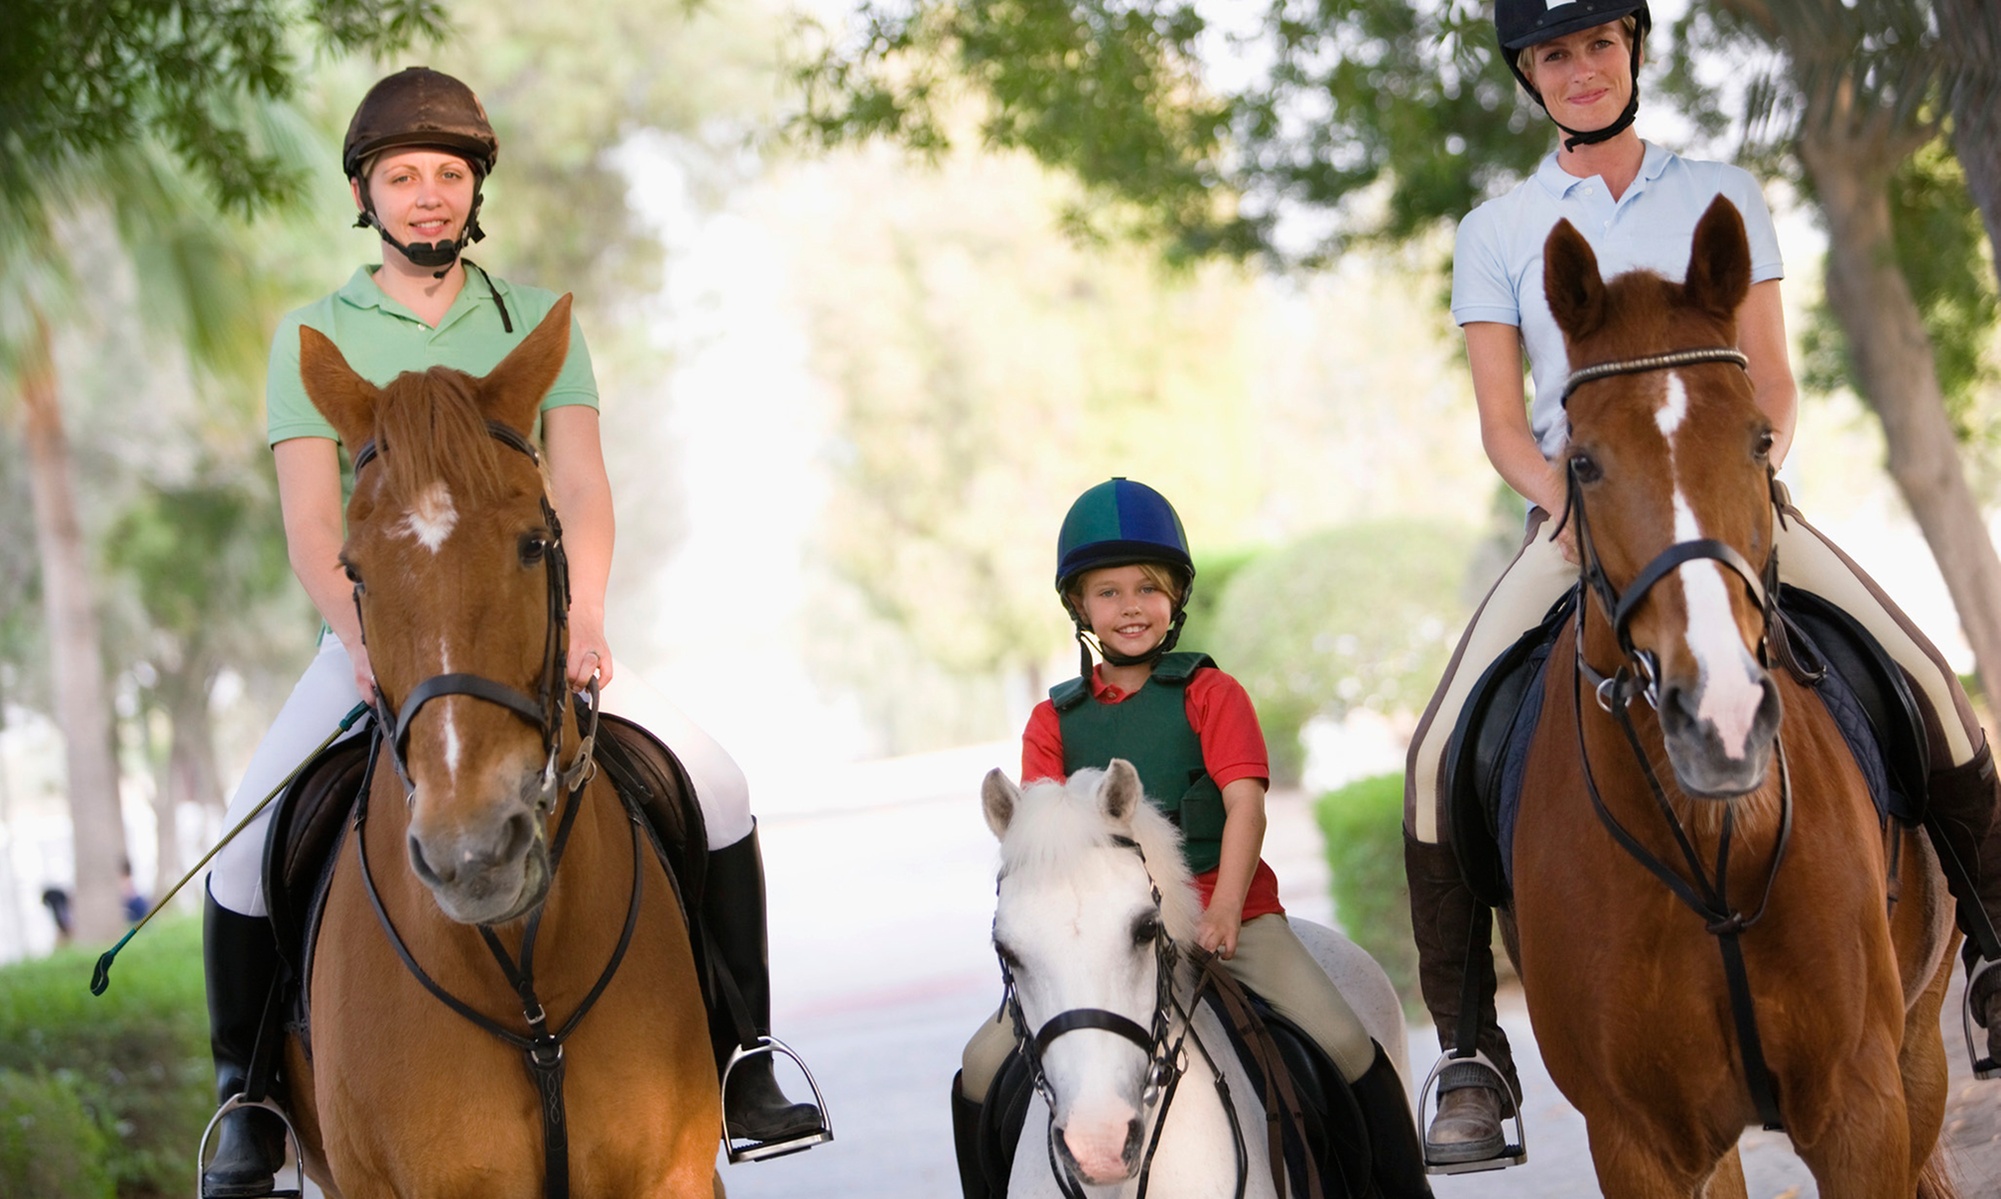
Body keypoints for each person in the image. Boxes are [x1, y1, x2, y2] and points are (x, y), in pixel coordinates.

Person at [198, 67, 825, 1198]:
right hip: (380, 631)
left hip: (530, 628)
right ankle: (248, 1104)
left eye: (448, 174)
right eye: (403, 176)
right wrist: (357, 638)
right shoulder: (319, 334)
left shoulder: (532, 321)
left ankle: (746, 1063)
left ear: (475, 188)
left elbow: (580, 487)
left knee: (718, 788)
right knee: (244, 852)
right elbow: (309, 523)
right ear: (366, 191)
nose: (427, 194)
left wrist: (584, 616)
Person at [1403, 0, 2001, 1169]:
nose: (1581, 71)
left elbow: (1771, 381)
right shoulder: (1502, 228)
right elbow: (1498, 422)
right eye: (1555, 54)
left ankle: (1991, 948)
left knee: (1931, 685)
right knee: (1436, 757)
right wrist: (1570, 504)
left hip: (1733, 511)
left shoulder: (1721, 192)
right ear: (1530, 74)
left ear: (1636, 49)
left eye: (1599, 45)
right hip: (1582, 522)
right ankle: (1473, 1052)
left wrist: (1747, 499)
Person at [950, 478, 1430, 1199]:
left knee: (1344, 1041)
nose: (1129, 606)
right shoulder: (1052, 721)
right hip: (1112, 937)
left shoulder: (1211, 693)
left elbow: (1244, 806)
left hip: (1228, 918)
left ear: (1174, 596)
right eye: (1107, 592)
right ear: (1079, 605)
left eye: (1146, 587)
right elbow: (1046, 853)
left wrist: (1227, 907)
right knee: (980, 1068)